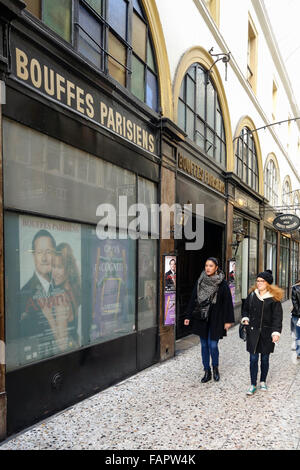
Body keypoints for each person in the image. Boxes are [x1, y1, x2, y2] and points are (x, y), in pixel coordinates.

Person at [184, 257, 234, 383]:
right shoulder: (201, 280)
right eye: (206, 265)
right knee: (204, 345)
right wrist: (188, 316)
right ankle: (207, 371)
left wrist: (228, 321)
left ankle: (215, 368)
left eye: (211, 266)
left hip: (216, 318)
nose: (208, 268)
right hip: (202, 317)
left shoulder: (222, 283)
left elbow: (228, 303)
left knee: (213, 345)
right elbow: (193, 298)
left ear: (216, 267)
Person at [241, 270, 283, 396]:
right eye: (258, 281)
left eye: (262, 281)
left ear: (268, 283)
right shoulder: (252, 295)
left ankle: (263, 381)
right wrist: (245, 319)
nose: (259, 283)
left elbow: (277, 317)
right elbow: (245, 310)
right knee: (253, 359)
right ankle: (253, 384)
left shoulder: (274, 299)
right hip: (253, 332)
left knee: (264, 359)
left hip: (267, 333)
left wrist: (276, 332)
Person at [20, 229, 57, 354]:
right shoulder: (23, 294)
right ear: (33, 256)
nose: (44, 258)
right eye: (40, 252)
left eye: (48, 252)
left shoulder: (61, 287)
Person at [291, 279, 300, 360]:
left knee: (298, 335)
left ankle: (299, 353)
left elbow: (294, 302)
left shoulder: (295, 288)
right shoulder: (295, 288)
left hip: (297, 314)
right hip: (297, 315)